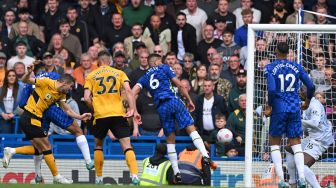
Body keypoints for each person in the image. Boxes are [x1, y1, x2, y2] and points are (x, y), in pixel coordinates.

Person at [3, 63, 94, 183]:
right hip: (30, 116)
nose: (70, 90)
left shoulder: (61, 94)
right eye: (70, 87)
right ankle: (56, 176)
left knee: (39, 149)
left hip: (34, 119)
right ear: (65, 83)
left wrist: (80, 117)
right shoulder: (46, 82)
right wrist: (28, 72)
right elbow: (26, 80)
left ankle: (12, 151)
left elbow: (67, 109)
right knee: (46, 147)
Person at [132, 53, 213, 183]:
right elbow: (180, 85)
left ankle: (176, 172)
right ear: (158, 61)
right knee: (190, 128)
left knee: (170, 139)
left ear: (149, 63)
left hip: (161, 108)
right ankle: (204, 154)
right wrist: (189, 100)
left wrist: (134, 110)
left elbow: (132, 92)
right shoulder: (164, 67)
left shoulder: (144, 77)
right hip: (173, 100)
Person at [84, 50, 140, 185]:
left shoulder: (91, 75)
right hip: (118, 114)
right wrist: (132, 109)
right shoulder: (120, 73)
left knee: (98, 146)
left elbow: (86, 98)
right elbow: (128, 90)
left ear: (98, 62)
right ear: (110, 61)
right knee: (127, 146)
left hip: (101, 115)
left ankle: (98, 178)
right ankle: (135, 176)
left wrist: (95, 109)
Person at [264, 42, 315, 188]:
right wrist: (307, 100)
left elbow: (272, 90)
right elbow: (311, 86)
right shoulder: (297, 66)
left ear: (275, 51)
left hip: (279, 107)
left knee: (274, 143)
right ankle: (303, 179)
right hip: (294, 107)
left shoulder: (271, 67)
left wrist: (270, 106)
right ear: (288, 52)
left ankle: (281, 180)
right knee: (296, 143)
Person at [285, 89, 334, 188]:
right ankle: (293, 182)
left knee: (302, 166)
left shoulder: (314, 104)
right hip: (312, 137)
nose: (299, 92)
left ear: (308, 93)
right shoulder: (305, 106)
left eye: (302, 91)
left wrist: (298, 121)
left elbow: (315, 123)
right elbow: (305, 126)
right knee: (289, 149)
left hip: (321, 139)